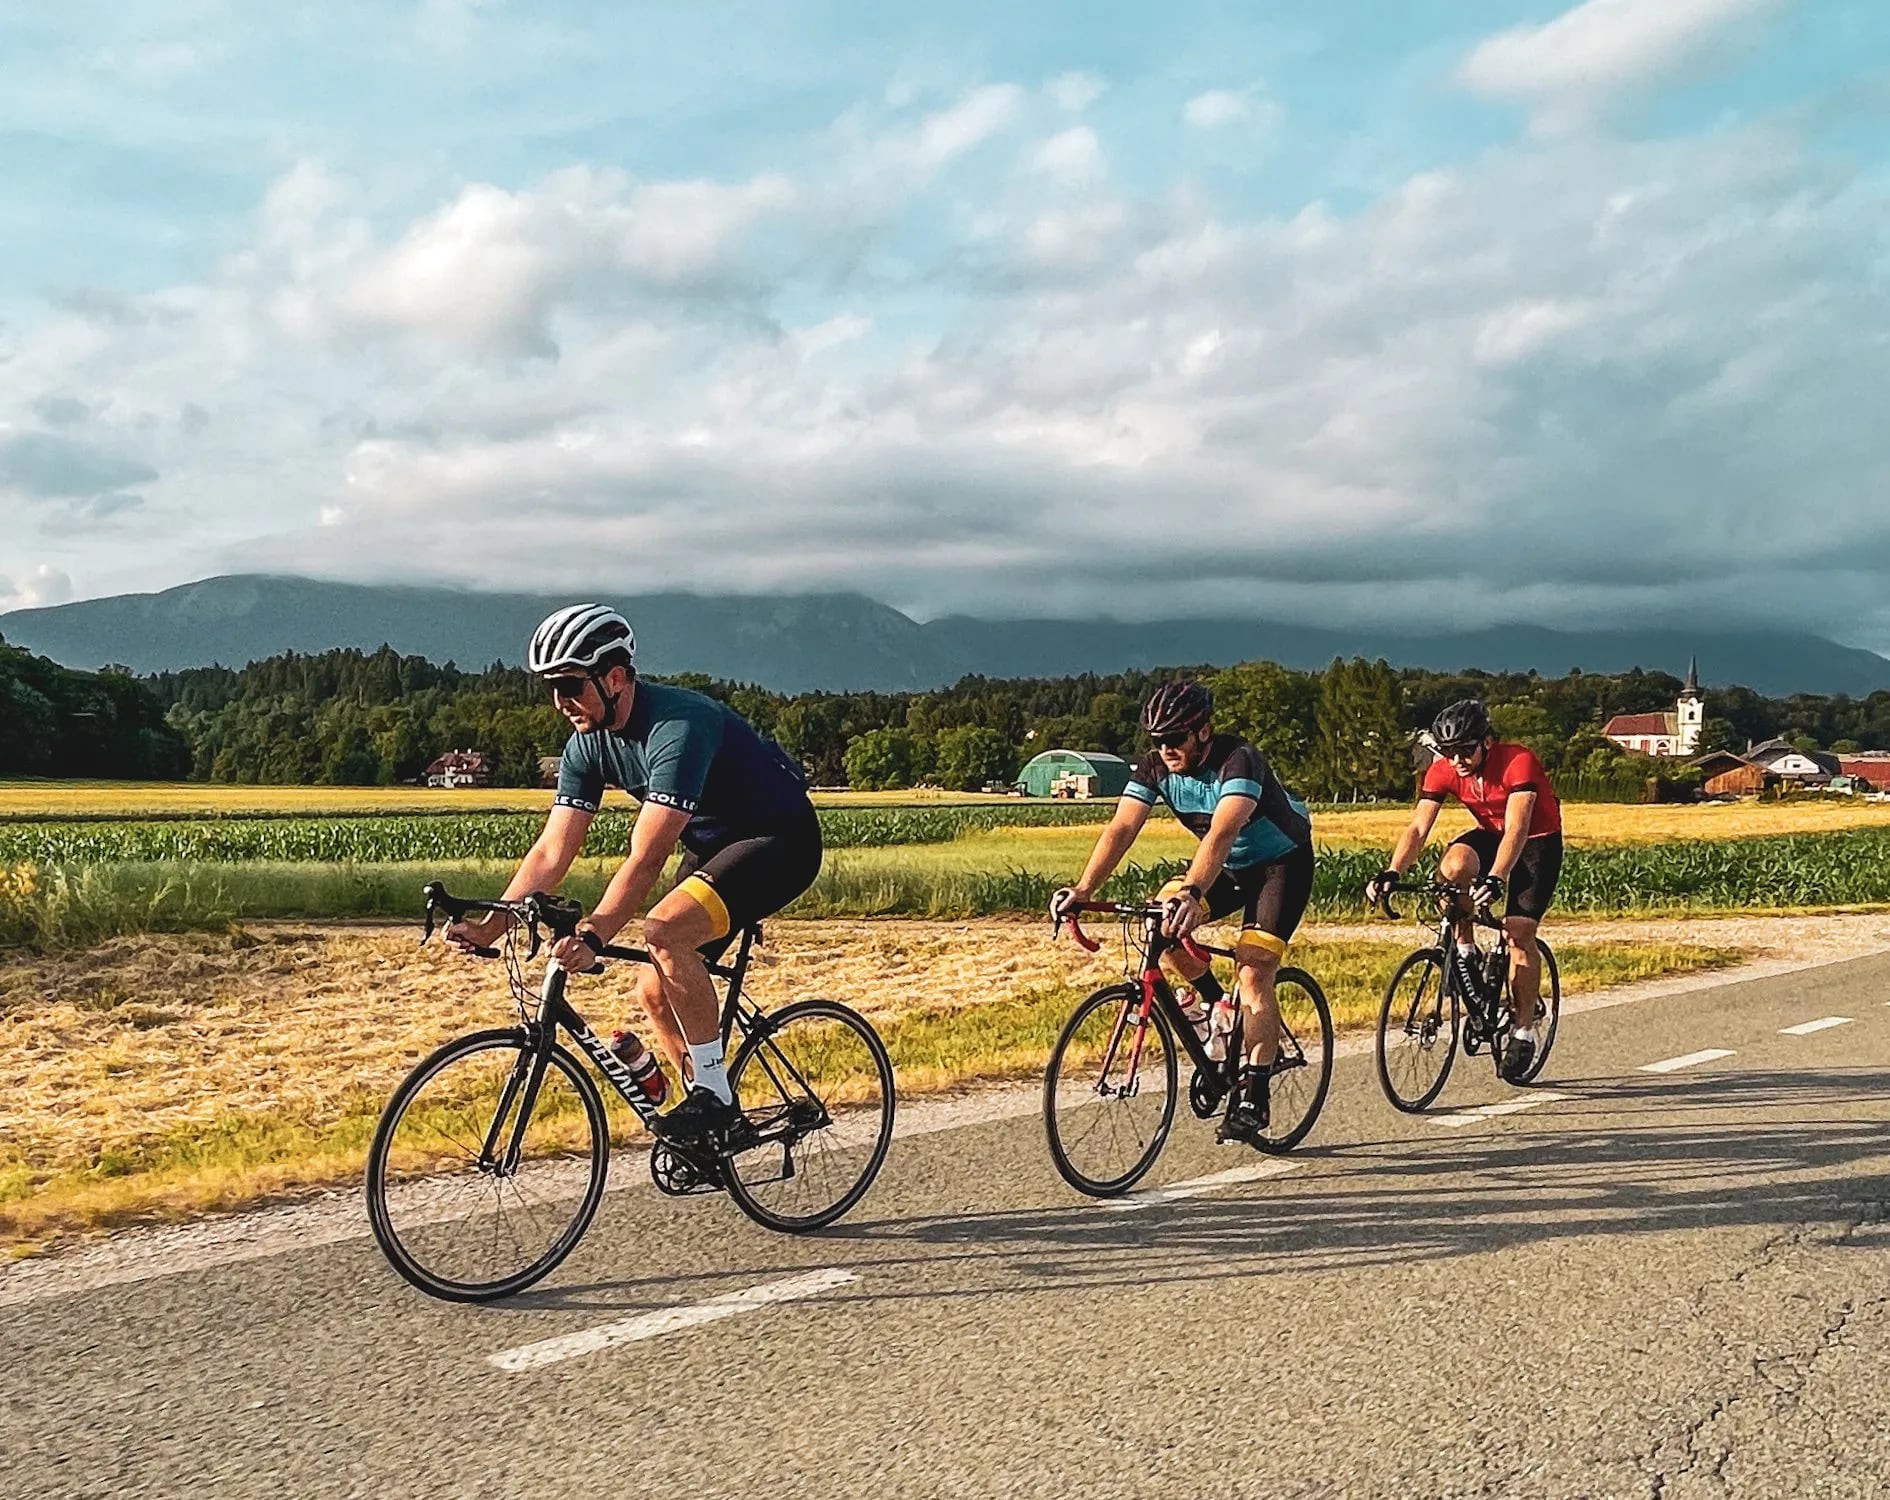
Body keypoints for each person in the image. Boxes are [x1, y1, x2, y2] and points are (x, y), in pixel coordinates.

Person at [444, 603, 821, 1145]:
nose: (561, 702)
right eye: (551, 688)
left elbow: (645, 857)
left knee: (664, 930)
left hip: (778, 841)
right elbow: (553, 849)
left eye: (572, 684)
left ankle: (715, 1095)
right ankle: (708, 1119)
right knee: (653, 988)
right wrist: (491, 925)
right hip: (714, 845)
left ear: (614, 676)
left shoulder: (679, 727)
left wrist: (596, 933)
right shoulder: (585, 745)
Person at [1051, 680, 1315, 1146]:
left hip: (1280, 867)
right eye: (1157, 740)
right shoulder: (1155, 768)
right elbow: (1121, 828)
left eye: (1176, 738)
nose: (1166, 748)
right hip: (1229, 869)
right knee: (1161, 922)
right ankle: (1217, 1006)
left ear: (1204, 732)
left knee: (1253, 972)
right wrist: (1084, 889)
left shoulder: (1239, 760)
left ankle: (1254, 1094)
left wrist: (1193, 892)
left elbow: (1222, 832)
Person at [1365, 698, 1563, 1083]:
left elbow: (1519, 828)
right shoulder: (1443, 771)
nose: (1456, 760)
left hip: (1537, 842)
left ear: (1486, 742)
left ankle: (1523, 1031)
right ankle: (1466, 950)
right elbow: (1418, 829)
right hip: (1491, 835)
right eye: (1448, 752)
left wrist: (1497, 878)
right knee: (1452, 869)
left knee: (1518, 932)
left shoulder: (1517, 761)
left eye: (1464, 750)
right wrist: (1392, 870)